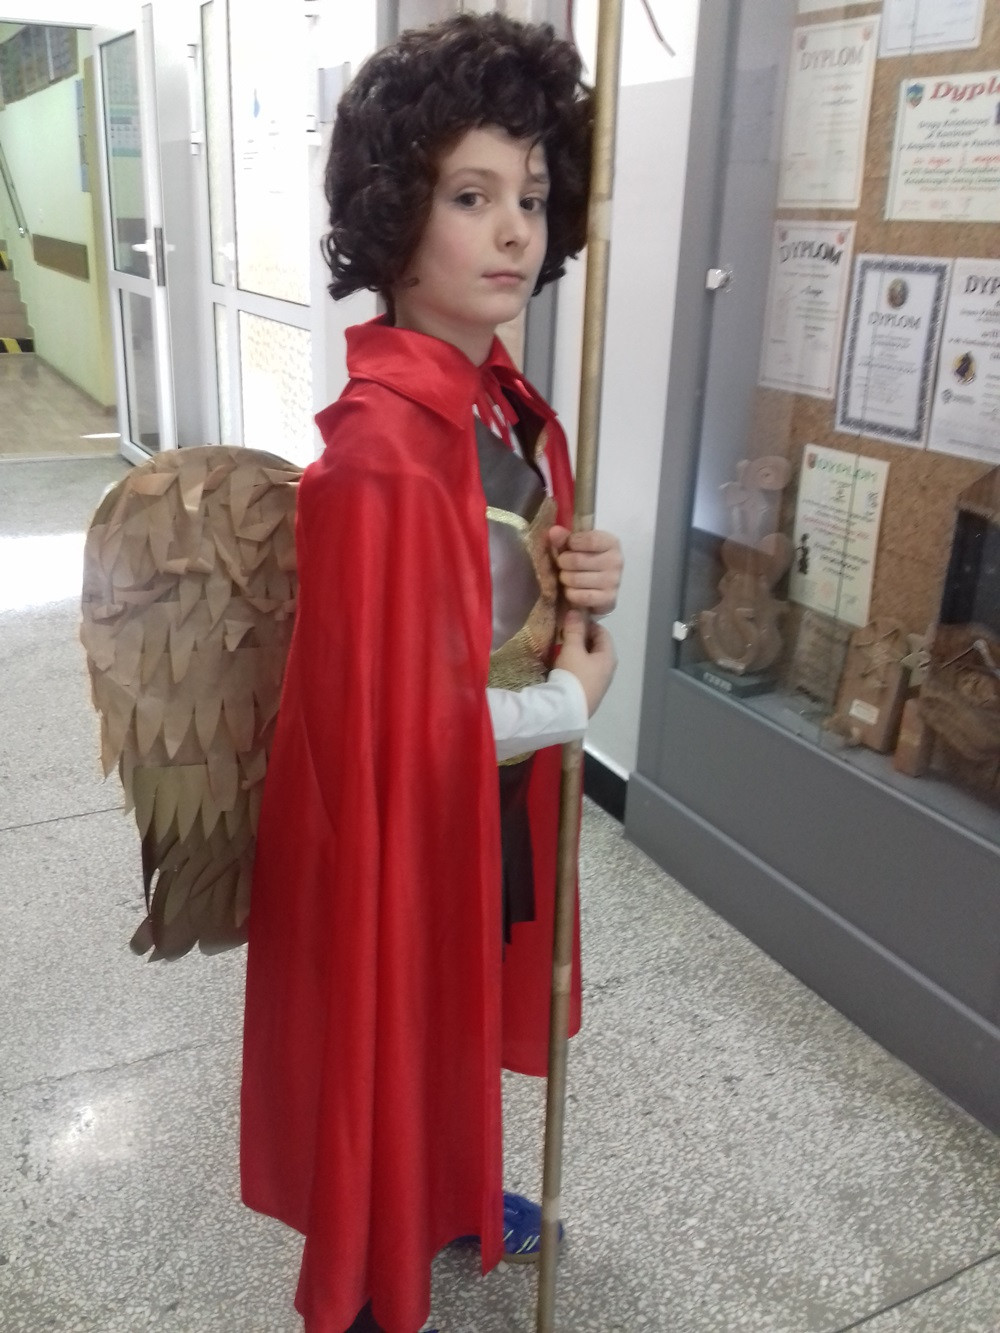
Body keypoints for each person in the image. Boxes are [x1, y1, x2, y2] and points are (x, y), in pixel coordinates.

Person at [240, 14, 622, 1333]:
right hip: (388, 820)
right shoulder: (377, 462)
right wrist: (571, 703)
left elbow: (502, 593)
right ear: (398, 213)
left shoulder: (499, 408)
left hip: (481, 801)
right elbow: (401, 728)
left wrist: (575, 578)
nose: (515, 230)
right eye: (471, 196)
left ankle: (450, 1189)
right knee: (389, 1020)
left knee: (455, 996)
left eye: (532, 195)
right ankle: (368, 1272)